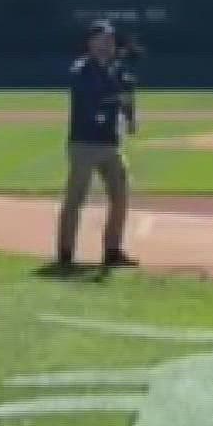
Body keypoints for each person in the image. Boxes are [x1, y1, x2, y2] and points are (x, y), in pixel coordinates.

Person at [54, 22, 136, 272]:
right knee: (75, 199)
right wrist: (116, 100)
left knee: (120, 196)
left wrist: (130, 116)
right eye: (102, 40)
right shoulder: (82, 70)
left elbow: (126, 95)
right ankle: (66, 253)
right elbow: (92, 101)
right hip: (85, 143)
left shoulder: (116, 69)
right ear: (91, 43)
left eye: (110, 40)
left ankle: (112, 250)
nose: (107, 44)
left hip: (110, 143)